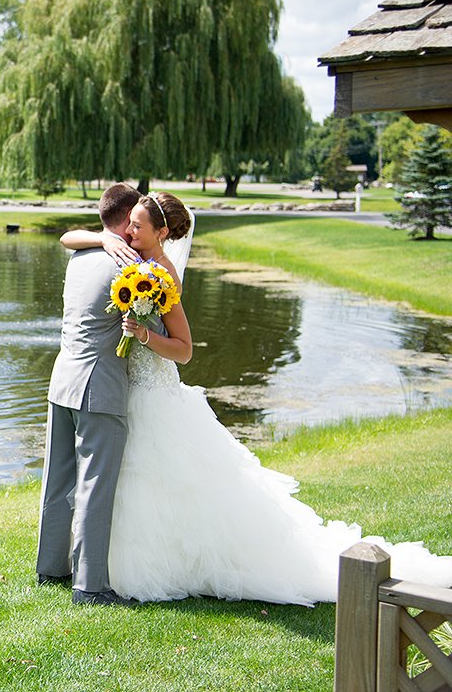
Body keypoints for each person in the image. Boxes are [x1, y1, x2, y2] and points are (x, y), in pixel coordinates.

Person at [60, 190, 452, 604]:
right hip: (127, 388)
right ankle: (101, 569)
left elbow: (186, 350)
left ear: (161, 232)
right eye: (129, 223)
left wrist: (144, 334)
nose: (129, 229)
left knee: (157, 479)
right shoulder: (128, 256)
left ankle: (151, 569)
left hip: (151, 390)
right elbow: (71, 237)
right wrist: (104, 239)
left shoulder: (162, 276)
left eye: (138, 224)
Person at [36, 182, 152, 607]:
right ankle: (90, 587)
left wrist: (102, 236)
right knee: (94, 486)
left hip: (61, 378)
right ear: (126, 222)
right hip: (98, 388)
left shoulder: (80, 256)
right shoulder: (131, 267)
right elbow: (152, 333)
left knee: (56, 480)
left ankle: (50, 568)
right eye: (136, 219)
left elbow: (69, 235)